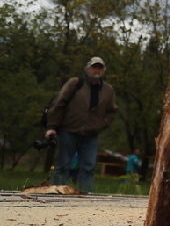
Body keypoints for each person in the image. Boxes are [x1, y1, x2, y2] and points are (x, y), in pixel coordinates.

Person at [44, 57, 118, 193]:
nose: (97, 70)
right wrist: (52, 127)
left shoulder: (108, 90)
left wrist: (102, 124)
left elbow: (111, 110)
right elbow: (58, 104)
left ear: (103, 70)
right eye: (94, 67)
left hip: (91, 134)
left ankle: (85, 196)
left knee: (89, 167)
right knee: (63, 166)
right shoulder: (75, 83)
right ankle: (57, 194)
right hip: (69, 130)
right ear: (87, 68)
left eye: (100, 67)